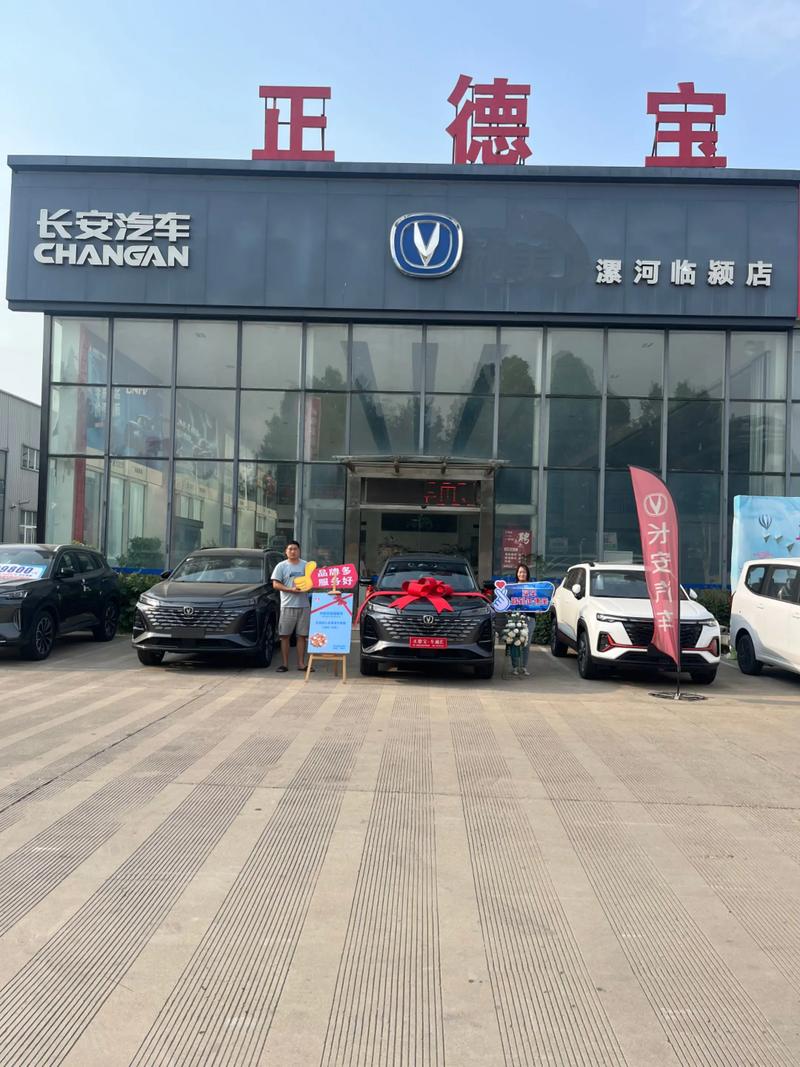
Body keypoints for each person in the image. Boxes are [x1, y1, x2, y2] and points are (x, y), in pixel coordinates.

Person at [271, 540, 312, 672]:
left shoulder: (306, 565)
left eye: (295, 549)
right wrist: (290, 589)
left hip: (304, 606)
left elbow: (313, 581)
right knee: (285, 636)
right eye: (290, 549)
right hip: (287, 606)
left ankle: (301, 664)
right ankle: (285, 664)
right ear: (286, 551)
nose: (293, 551)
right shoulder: (281, 566)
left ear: (299, 551)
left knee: (302, 636)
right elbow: (275, 584)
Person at [512, 562, 535, 677]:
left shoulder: (533, 588)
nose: (522, 574)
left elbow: (537, 602)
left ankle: (524, 667)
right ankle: (515, 667)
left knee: (527, 643)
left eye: (524, 572)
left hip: (530, 618)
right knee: (515, 643)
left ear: (527, 574)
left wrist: (540, 608)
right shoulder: (512, 588)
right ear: (517, 574)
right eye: (520, 572)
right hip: (515, 618)